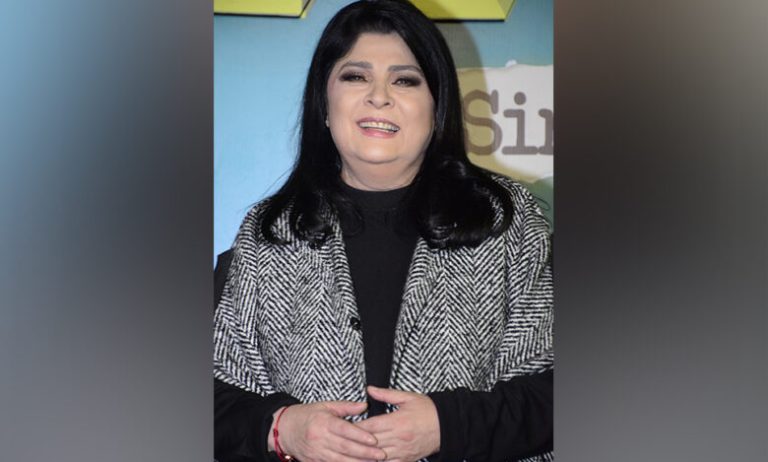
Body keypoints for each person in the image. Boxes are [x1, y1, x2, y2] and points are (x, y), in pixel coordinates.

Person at [214, 1, 553, 461]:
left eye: (404, 80)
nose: (379, 96)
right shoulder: (268, 233)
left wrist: (451, 426)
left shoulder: (507, 220)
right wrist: (282, 429)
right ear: (324, 105)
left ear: (437, 106)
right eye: (355, 76)